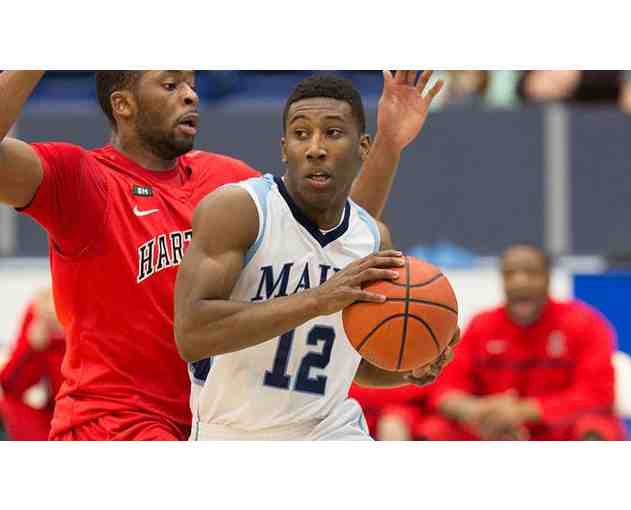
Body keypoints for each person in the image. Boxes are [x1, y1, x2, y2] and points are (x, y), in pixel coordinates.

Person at [0, 70, 444, 440]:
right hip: (115, 421)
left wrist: (388, 144)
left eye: (191, 82)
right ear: (124, 105)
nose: (191, 93)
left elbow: (336, 242)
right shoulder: (80, 178)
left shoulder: (227, 183)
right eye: (170, 85)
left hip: (211, 418)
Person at [174, 75, 458, 440]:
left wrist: (409, 367)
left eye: (334, 133)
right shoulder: (240, 210)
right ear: (283, 147)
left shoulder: (372, 237)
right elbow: (192, 334)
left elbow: (351, 363)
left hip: (329, 429)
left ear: (363, 146)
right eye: (301, 133)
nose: (315, 148)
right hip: (230, 433)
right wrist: (316, 300)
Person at [419, 243, 626, 441]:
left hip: (557, 428)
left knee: (597, 428)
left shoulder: (585, 323)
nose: (520, 281)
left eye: (531, 272)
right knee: (434, 429)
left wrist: (523, 411)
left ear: (547, 277)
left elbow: (598, 394)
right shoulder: (481, 325)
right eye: (510, 274)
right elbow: (444, 391)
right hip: (491, 430)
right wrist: (476, 411)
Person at [0, 287, 66, 440]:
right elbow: (10, 387)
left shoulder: (109, 309)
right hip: (56, 418)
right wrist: (32, 346)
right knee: (8, 407)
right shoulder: (45, 310)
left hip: (101, 415)